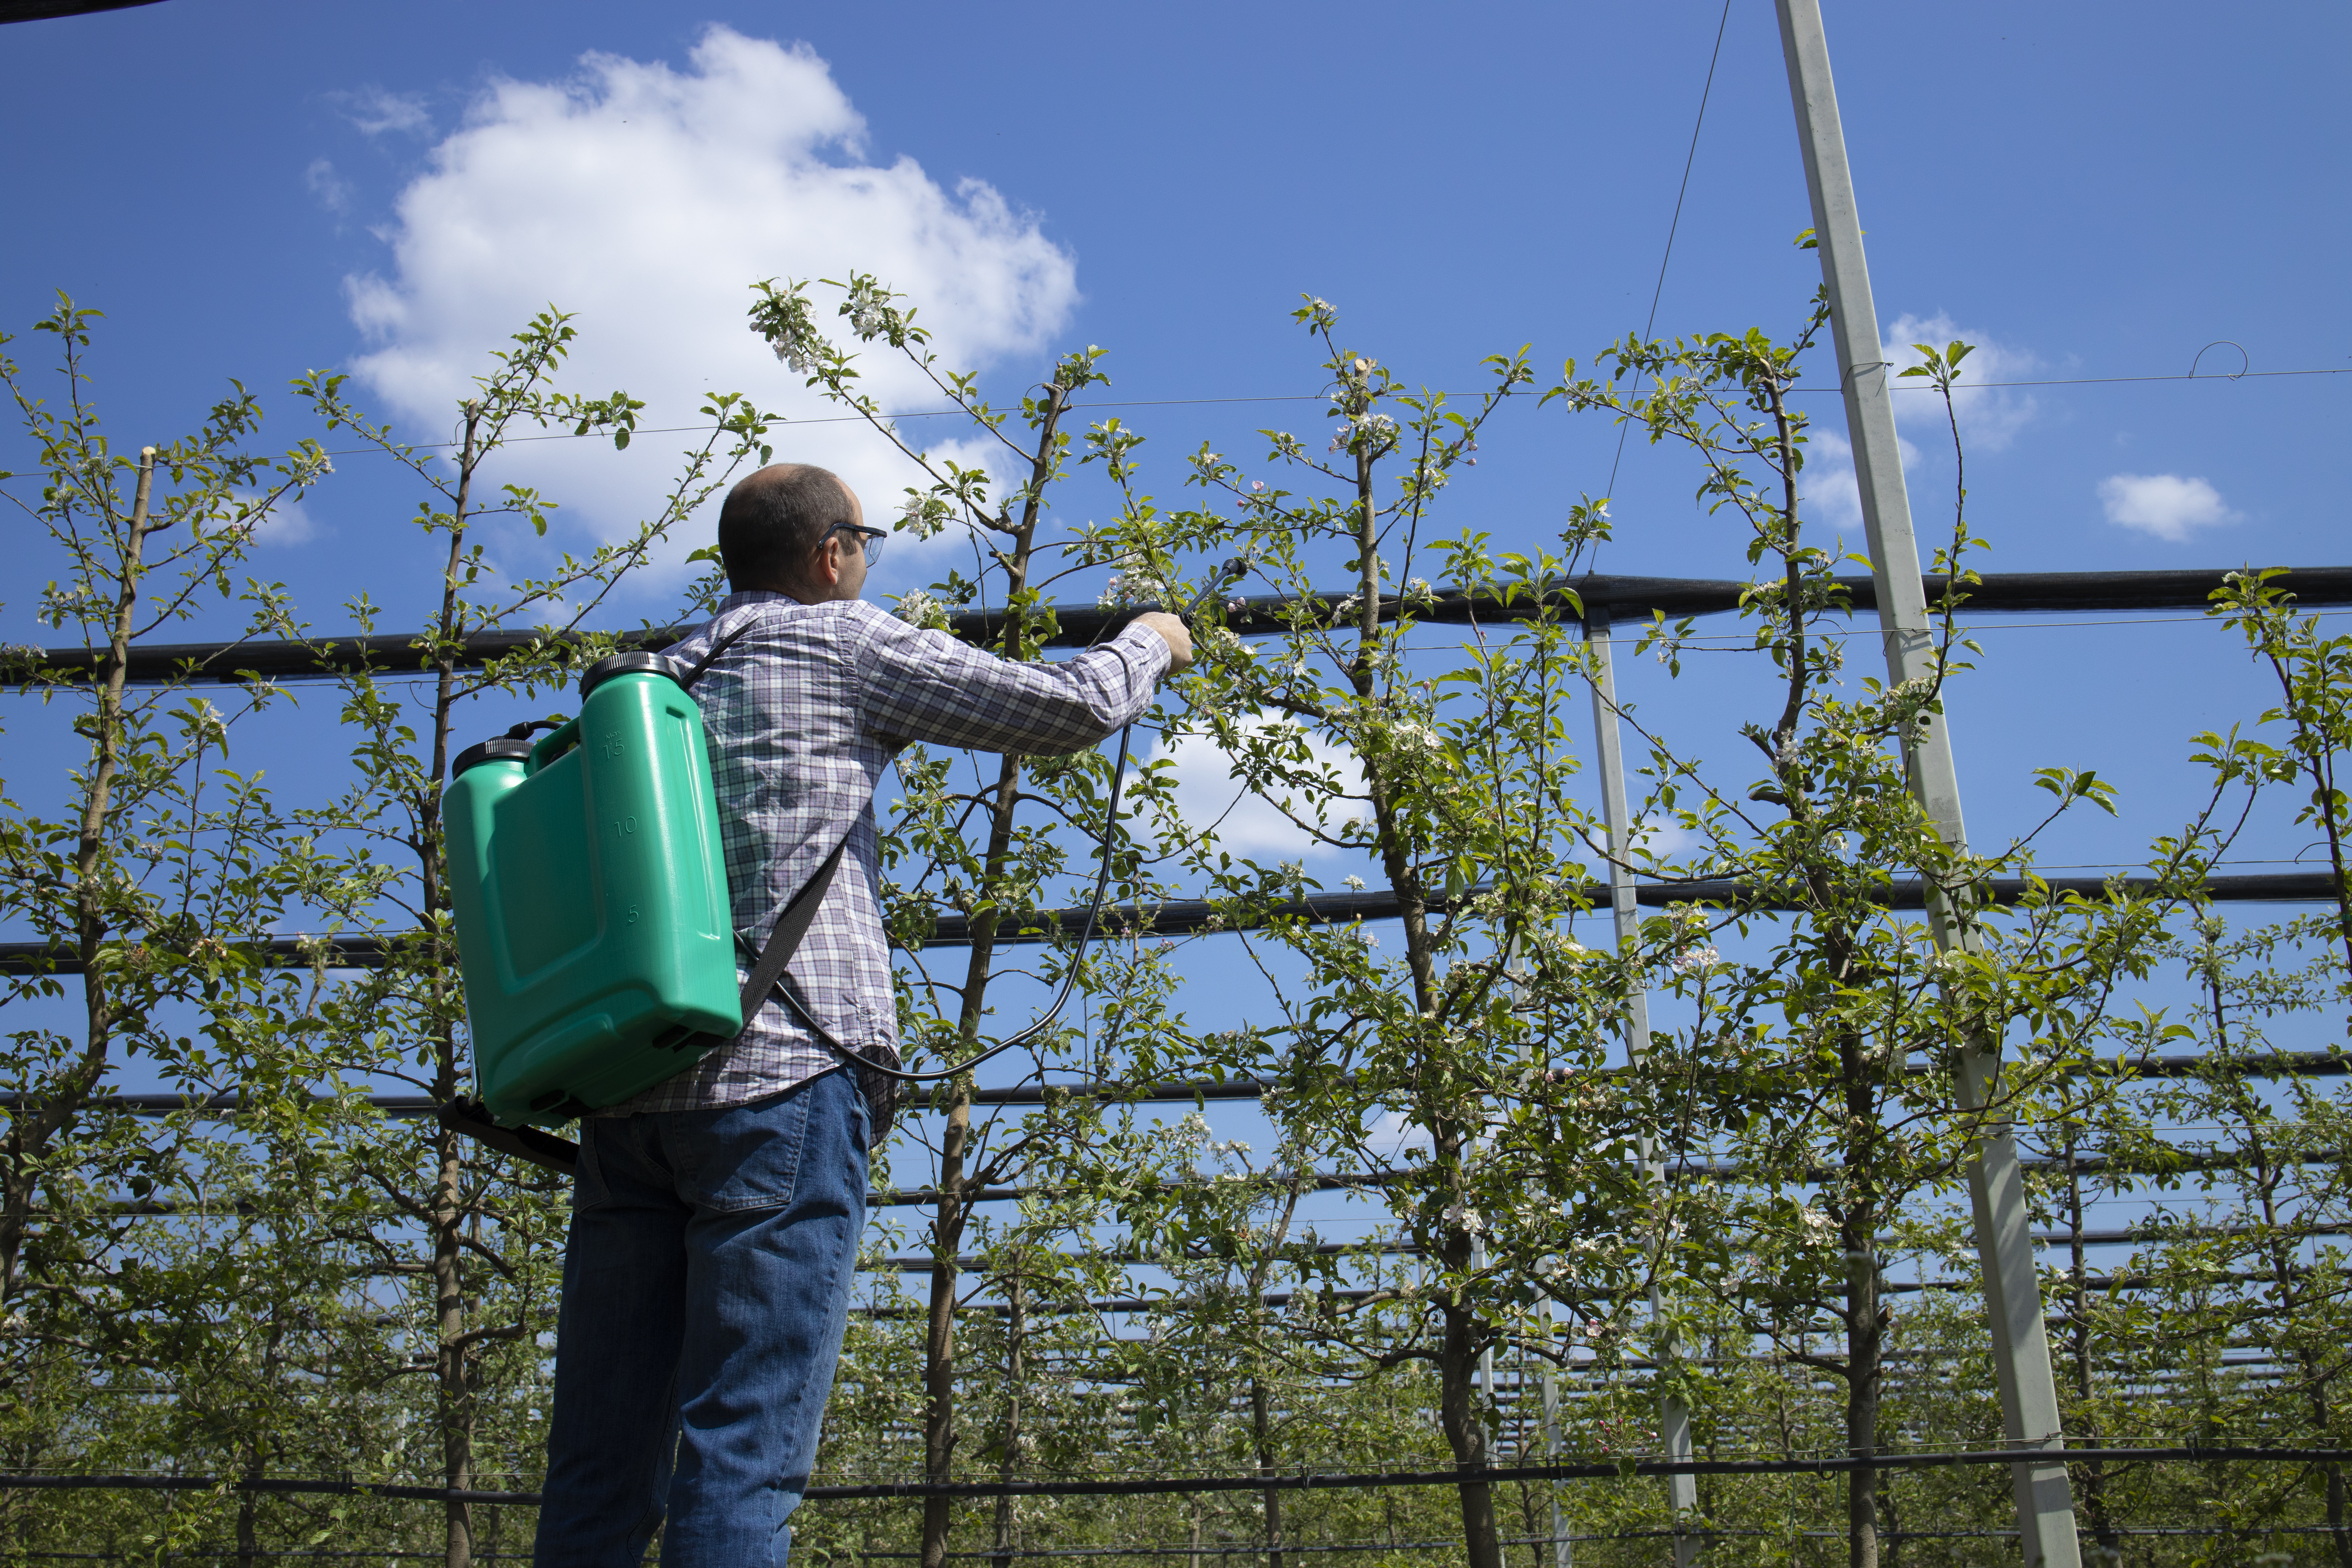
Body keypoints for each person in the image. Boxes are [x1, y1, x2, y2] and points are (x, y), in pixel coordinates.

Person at [533, 463, 1191, 1566]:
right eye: (868, 546)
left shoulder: (647, 682)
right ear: (833, 553)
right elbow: (1066, 711)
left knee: (599, 1460)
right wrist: (1151, 642)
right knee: (742, 1445)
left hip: (627, 1094)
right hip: (782, 1076)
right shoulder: (837, 642)